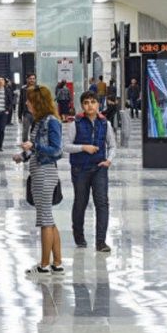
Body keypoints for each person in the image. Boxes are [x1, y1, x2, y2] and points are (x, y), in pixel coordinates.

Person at [15, 86, 64, 274]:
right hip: (38, 172)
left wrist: (33, 145)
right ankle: (57, 263)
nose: (26, 103)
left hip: (45, 174)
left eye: (29, 100)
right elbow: (36, 149)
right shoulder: (39, 121)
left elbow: (56, 150)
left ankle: (43, 266)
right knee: (49, 219)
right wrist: (23, 155)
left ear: (38, 102)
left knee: (44, 220)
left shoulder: (51, 122)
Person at [64, 92, 115, 251]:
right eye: (86, 102)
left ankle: (101, 241)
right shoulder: (75, 123)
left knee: (102, 203)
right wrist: (83, 147)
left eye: (93, 102)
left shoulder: (105, 123)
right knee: (81, 202)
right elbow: (65, 146)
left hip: (99, 168)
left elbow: (112, 145)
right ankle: (79, 236)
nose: (90, 105)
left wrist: (109, 160)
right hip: (80, 169)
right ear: (82, 105)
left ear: (99, 104)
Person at [18, 73, 37, 143]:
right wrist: (19, 116)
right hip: (27, 113)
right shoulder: (23, 89)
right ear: (27, 79)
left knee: (35, 131)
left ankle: (33, 145)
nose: (32, 80)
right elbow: (21, 102)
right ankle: (25, 146)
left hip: (36, 113)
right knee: (25, 131)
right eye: (30, 78)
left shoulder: (38, 89)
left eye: (33, 79)